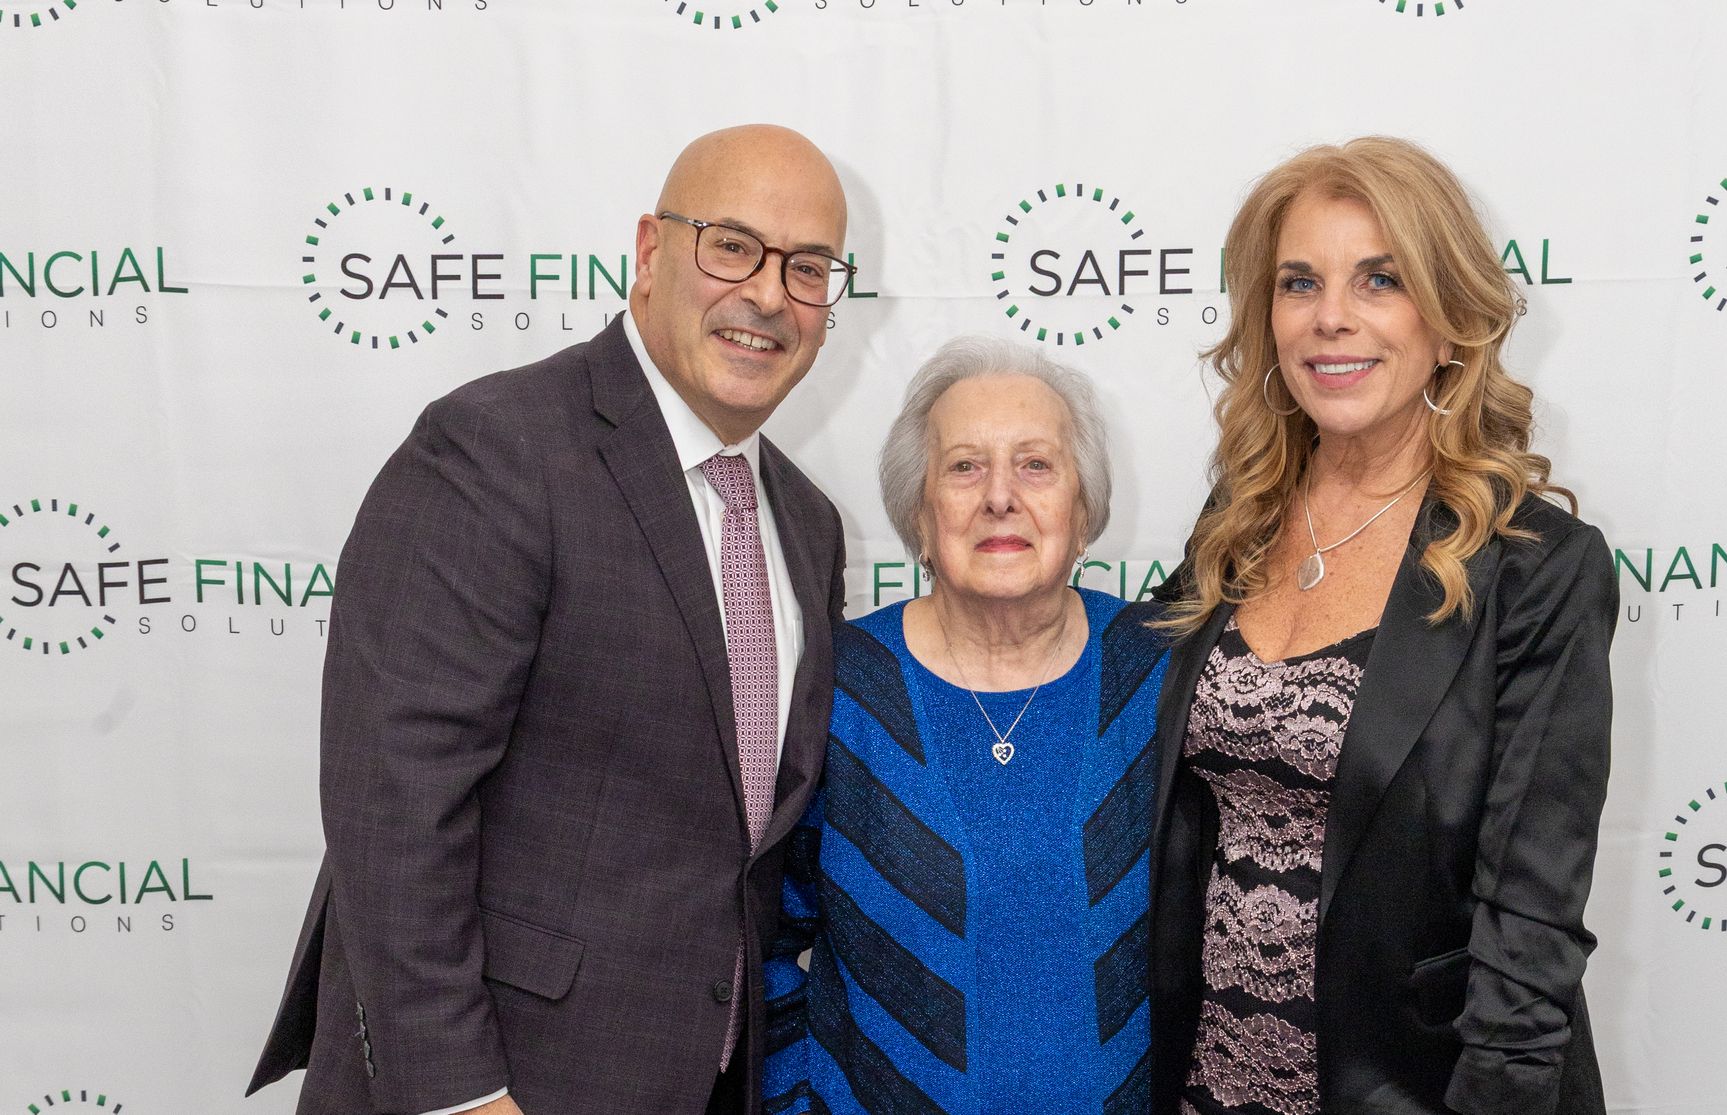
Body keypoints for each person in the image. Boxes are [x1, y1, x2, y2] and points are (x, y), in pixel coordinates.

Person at [246, 124, 855, 1115]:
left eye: (808, 267)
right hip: (499, 1084)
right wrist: (461, 1094)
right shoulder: (496, 451)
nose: (767, 294)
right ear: (652, 253)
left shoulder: (808, 524)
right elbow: (394, 806)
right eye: (732, 245)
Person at [1147, 137, 1616, 1115]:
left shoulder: (1537, 567)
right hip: (1210, 1082)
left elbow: (1530, 923)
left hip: (1416, 1087)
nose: (1331, 318)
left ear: (1451, 322)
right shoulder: (1238, 521)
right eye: (1299, 282)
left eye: (1380, 279)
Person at [759, 337, 1170, 1114]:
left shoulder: (1161, 674)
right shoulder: (840, 685)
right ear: (920, 513)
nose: (1001, 497)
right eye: (965, 466)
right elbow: (766, 939)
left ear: (1084, 512)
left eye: (1037, 465)